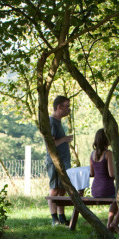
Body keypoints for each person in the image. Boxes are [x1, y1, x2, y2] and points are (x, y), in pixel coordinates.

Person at [46, 95, 73, 226]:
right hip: (55, 161)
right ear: (59, 107)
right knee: (55, 188)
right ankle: (54, 218)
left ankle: (62, 217)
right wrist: (64, 139)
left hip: (63, 161)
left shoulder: (58, 122)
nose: (69, 110)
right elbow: (50, 144)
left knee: (62, 189)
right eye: (67, 106)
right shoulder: (51, 122)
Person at [89, 129, 119, 232]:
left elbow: (92, 173)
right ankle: (111, 224)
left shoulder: (92, 154)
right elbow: (111, 174)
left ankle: (114, 224)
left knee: (117, 198)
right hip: (107, 189)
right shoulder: (108, 153)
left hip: (95, 190)